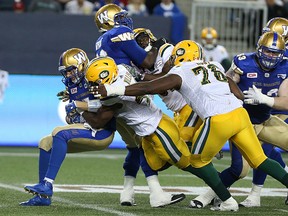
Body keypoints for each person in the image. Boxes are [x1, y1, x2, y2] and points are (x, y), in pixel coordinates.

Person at [95, 39, 288, 212]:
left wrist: (113, 88)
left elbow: (148, 88)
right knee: (260, 160)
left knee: (196, 161)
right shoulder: (215, 65)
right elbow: (237, 93)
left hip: (219, 119)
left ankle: (228, 201)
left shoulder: (181, 71)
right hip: (240, 115)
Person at [93, 4, 184, 207]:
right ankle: (156, 194)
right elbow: (146, 62)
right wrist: (156, 45)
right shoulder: (120, 33)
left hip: (113, 100)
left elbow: (145, 74)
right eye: (119, 16)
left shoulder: (101, 41)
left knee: (134, 147)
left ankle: (127, 192)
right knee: (146, 144)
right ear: (109, 20)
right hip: (126, 95)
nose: (124, 19)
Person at [190, 31, 288, 209]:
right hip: (242, 122)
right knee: (239, 170)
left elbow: (286, 100)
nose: (271, 56)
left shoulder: (285, 67)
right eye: (268, 51)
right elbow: (225, 82)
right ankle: (208, 195)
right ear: (259, 49)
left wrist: (265, 100)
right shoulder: (244, 62)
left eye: (275, 53)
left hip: (266, 120)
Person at [19, 48, 116, 206]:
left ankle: (47, 184)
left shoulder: (94, 76)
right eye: (66, 72)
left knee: (59, 132)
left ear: (81, 65)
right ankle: (42, 197)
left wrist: (79, 105)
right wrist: (73, 114)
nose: (68, 75)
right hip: (88, 127)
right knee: (45, 143)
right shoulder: (72, 85)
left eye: (71, 71)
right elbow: (77, 115)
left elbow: (105, 106)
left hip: (102, 131)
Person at [239, 16, 288, 207]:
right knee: (261, 150)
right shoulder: (268, 52)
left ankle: (255, 194)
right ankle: (255, 194)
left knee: (263, 150)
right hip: (267, 104)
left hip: (278, 103)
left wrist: (268, 99)